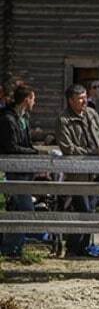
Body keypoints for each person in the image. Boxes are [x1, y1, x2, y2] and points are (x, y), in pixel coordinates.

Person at [56, 83, 99, 257]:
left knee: (91, 211)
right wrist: (95, 152)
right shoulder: (63, 119)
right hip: (77, 173)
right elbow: (68, 148)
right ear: (71, 101)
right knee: (84, 210)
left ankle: (81, 248)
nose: (84, 101)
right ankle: (73, 248)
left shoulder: (92, 114)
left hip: (96, 172)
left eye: (85, 97)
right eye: (80, 98)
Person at [0, 84, 38, 258]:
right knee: (24, 209)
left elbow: (26, 143)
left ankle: (15, 247)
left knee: (19, 208)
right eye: (33, 99)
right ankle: (10, 247)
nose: (34, 102)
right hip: (13, 169)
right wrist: (33, 152)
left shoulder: (24, 117)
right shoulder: (8, 119)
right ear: (26, 100)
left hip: (25, 169)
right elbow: (11, 147)